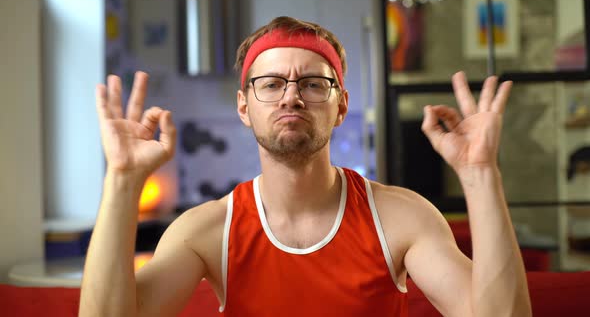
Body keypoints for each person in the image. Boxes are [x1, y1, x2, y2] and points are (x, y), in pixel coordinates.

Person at [79, 16, 532, 316]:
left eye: (314, 83)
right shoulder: (206, 230)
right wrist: (122, 180)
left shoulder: (400, 217)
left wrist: (479, 176)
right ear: (243, 106)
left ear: (341, 106)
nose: (291, 96)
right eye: (271, 83)